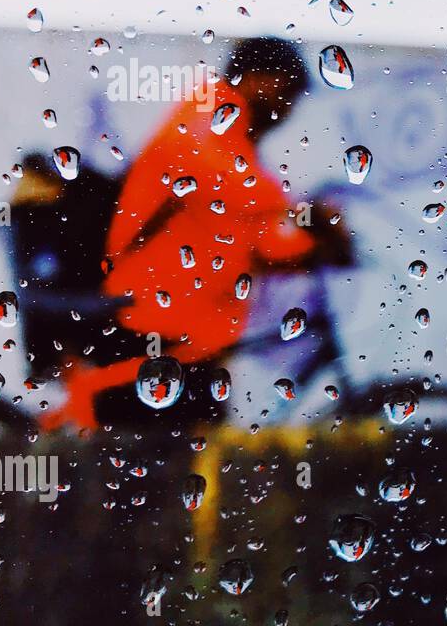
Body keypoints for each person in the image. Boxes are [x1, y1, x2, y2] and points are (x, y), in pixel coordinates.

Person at [40, 36, 343, 432]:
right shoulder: (206, 118)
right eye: (286, 92)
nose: (288, 109)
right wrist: (305, 212)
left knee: (191, 462)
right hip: (152, 323)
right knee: (153, 466)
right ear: (256, 78)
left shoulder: (240, 146)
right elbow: (219, 175)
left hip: (193, 337)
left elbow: (255, 242)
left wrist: (312, 249)